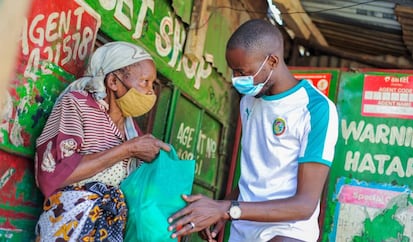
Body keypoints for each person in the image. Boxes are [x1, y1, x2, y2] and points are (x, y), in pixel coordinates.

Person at [168, 19, 338, 242]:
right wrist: (220, 210)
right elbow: (255, 174)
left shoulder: (315, 109)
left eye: (242, 72)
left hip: (287, 232)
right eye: (233, 72)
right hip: (243, 230)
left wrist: (225, 209)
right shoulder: (248, 102)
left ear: (273, 61)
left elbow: (304, 205)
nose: (237, 80)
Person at [34, 41, 170, 241]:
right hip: (67, 228)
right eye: (144, 81)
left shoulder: (132, 131)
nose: (150, 91)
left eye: (152, 84)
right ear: (113, 81)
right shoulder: (78, 104)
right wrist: (127, 150)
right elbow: (53, 175)